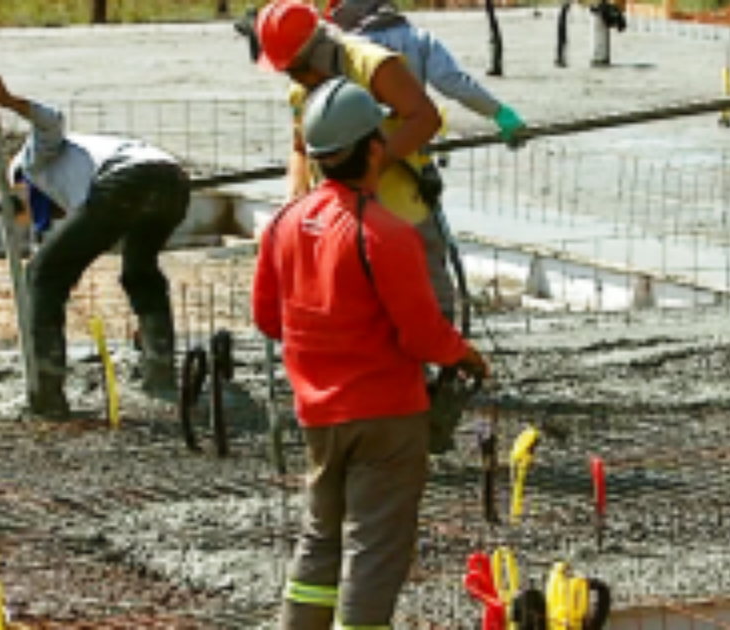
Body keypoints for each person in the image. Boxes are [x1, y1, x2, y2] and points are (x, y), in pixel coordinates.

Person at [251, 78, 489, 630]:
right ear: (374, 147)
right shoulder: (384, 232)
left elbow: (268, 318)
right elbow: (421, 334)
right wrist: (467, 357)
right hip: (385, 416)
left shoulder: (285, 223)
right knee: (374, 551)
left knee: (320, 541)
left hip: (317, 414)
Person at [255, 0, 514, 321]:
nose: (297, 78)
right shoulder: (302, 89)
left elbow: (424, 118)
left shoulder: (372, 65)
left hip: (403, 210)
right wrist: (295, 196)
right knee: (365, 313)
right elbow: (300, 146)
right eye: (289, 71)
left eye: (299, 68)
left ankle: (445, 360)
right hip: (344, 222)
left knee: (425, 303)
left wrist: (374, 165)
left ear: (320, 48)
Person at [0, 75, 190, 417]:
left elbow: (51, 120)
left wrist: (5, 100)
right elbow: (59, 239)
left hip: (127, 180)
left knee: (42, 277)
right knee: (140, 271)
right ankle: (160, 372)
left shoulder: (33, 163)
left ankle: (47, 397)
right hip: (173, 182)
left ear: (21, 185)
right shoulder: (79, 168)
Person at [325, 0, 526, 146]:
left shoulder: (344, 48)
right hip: (410, 143)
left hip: (358, 151)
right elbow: (451, 81)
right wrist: (497, 111)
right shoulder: (419, 39)